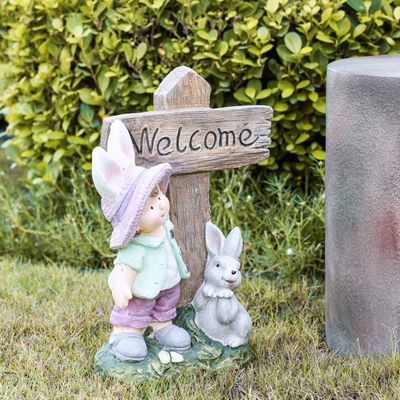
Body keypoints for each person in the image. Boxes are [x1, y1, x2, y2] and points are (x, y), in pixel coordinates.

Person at [92, 120, 191, 361]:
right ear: (134, 224)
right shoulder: (137, 246)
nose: (161, 206)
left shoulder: (164, 226)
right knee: (136, 310)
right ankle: (127, 334)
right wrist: (121, 286)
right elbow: (122, 269)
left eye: (158, 197)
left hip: (167, 286)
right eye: (149, 206)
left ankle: (162, 327)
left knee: (164, 305)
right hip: (142, 291)